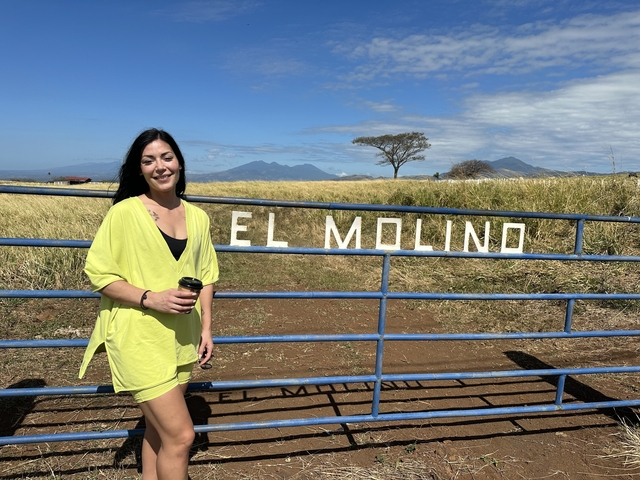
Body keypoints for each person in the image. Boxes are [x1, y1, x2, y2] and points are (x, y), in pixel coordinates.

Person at [78, 128, 218, 480]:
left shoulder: (198, 217)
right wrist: (151, 297)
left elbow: (207, 274)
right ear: (138, 169)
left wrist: (206, 329)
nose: (160, 166)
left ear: (180, 163)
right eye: (149, 160)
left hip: (182, 338)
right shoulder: (125, 213)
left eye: (167, 157)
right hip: (137, 337)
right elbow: (100, 275)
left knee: (158, 434)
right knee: (182, 436)